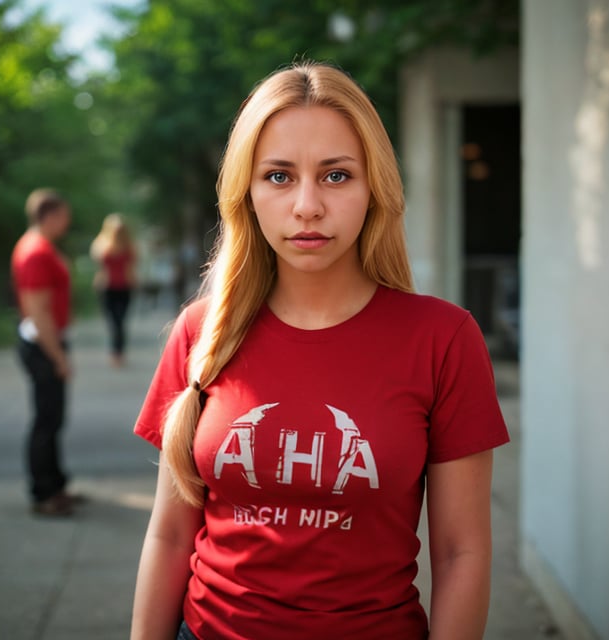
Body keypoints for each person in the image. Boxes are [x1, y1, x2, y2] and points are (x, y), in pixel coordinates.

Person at [130, 61, 510, 640]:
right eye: (279, 176)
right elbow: (168, 534)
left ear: (373, 188)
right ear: (247, 193)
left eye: (336, 176)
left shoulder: (442, 339)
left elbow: (461, 553)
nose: (307, 205)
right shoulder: (201, 332)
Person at [11, 188, 79, 517]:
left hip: (44, 342)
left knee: (52, 418)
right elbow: (38, 311)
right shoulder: (36, 251)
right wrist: (58, 357)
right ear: (49, 215)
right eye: (63, 216)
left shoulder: (38, 247)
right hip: (42, 345)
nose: (67, 222)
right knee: (46, 420)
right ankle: (43, 492)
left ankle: (55, 484)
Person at [90, 213, 137, 367]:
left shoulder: (129, 247)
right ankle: (116, 351)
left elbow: (131, 268)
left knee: (120, 320)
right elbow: (98, 264)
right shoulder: (102, 245)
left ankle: (118, 351)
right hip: (107, 287)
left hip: (124, 287)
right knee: (113, 321)